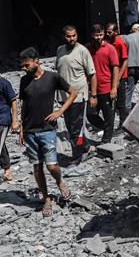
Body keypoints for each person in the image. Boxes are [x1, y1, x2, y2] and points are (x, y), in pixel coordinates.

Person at [18, 46, 77, 217]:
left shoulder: (52, 77)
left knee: (52, 166)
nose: (24, 68)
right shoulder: (24, 81)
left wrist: (60, 111)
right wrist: (21, 129)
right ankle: (46, 199)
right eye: (22, 66)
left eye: (27, 65)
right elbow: (24, 105)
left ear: (37, 62)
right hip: (30, 131)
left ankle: (60, 182)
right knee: (37, 167)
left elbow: (73, 92)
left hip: (47, 129)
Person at [55, 25, 97, 159]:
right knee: (70, 126)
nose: (72, 38)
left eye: (74, 35)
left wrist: (93, 94)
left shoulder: (82, 51)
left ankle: (77, 156)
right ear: (64, 37)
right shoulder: (60, 50)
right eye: (68, 36)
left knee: (75, 129)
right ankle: (86, 147)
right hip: (64, 96)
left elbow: (92, 74)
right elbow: (59, 72)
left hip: (78, 96)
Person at [86, 24, 119, 144]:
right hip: (93, 89)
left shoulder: (110, 48)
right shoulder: (88, 49)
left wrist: (114, 88)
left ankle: (106, 142)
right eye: (96, 35)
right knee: (90, 114)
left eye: (101, 34)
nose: (99, 37)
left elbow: (115, 68)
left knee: (109, 116)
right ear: (92, 35)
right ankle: (106, 128)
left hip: (107, 88)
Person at [105, 22, 129, 126]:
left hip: (120, 76)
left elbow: (125, 61)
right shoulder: (107, 42)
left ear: (116, 32)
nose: (107, 34)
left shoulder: (120, 43)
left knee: (120, 102)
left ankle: (122, 124)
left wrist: (118, 77)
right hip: (110, 75)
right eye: (106, 32)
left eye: (109, 32)